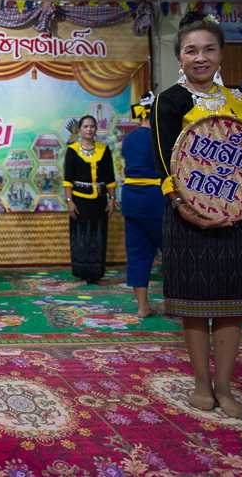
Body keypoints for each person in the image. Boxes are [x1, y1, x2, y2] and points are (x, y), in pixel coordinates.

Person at [151, 12, 242, 418]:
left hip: (239, 216)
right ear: (180, 58)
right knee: (195, 304)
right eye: (191, 50)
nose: (200, 57)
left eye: (208, 49)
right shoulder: (169, 100)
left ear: (221, 55)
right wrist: (185, 209)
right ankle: (201, 385)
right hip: (188, 216)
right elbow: (163, 162)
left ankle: (224, 386)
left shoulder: (237, 101)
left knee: (230, 305)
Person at [120, 92, 164, 317]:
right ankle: (177, 301)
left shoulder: (129, 138)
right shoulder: (161, 137)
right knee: (173, 252)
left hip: (131, 199)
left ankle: (142, 306)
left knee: (137, 253)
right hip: (155, 199)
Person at [62, 115, 116, 283]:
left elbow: (110, 178)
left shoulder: (104, 149)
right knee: (81, 236)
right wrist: (70, 202)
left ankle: (96, 273)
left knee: (98, 235)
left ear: (96, 129)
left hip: (99, 201)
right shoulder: (72, 150)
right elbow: (67, 179)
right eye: (85, 126)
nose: (89, 129)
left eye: (92, 126)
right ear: (80, 129)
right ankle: (81, 272)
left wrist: (111, 199)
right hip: (79, 201)